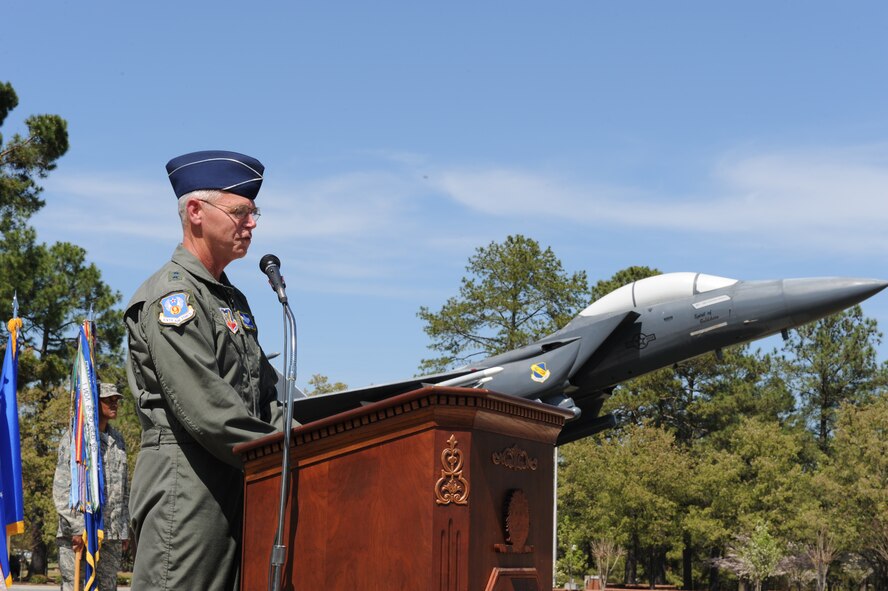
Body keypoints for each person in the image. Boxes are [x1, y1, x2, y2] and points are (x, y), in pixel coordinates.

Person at [124, 150, 285, 591]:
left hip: (236, 477)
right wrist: (291, 455)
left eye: (253, 213)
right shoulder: (173, 299)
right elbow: (209, 411)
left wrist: (321, 443)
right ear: (196, 212)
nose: (252, 223)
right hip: (187, 485)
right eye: (240, 212)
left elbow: (269, 399)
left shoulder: (229, 300)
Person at [53, 382, 130, 591]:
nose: (114, 404)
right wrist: (76, 528)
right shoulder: (75, 439)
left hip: (110, 535)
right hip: (80, 533)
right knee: (75, 587)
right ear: (94, 403)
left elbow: (124, 490)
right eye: (108, 400)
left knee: (107, 587)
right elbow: (62, 488)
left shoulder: (118, 440)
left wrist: (123, 530)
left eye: (116, 400)